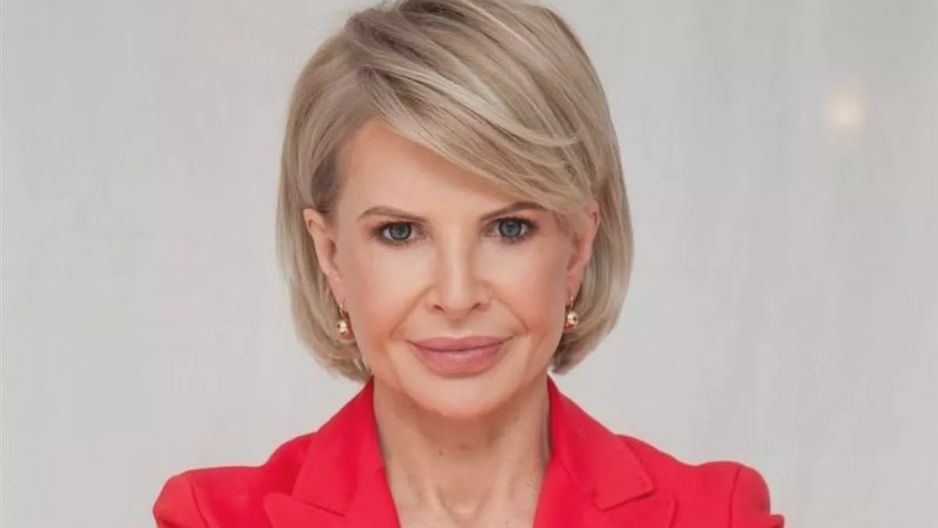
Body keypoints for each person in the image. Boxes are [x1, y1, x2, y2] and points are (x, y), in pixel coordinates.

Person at [152, 0, 785, 526]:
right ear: (330, 253)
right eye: (400, 233)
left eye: (509, 228)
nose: (456, 296)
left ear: (578, 246)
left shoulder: (716, 516)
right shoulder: (212, 518)